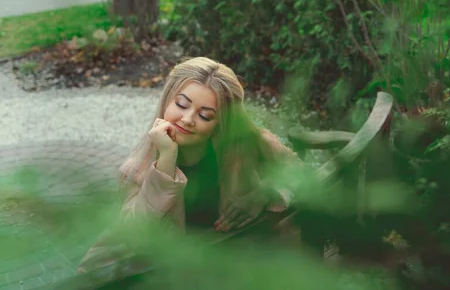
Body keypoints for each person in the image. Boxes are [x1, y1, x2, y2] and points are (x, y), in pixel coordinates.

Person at [77, 57, 300, 274]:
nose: (187, 119)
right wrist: (165, 161)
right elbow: (135, 235)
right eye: (181, 104)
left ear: (221, 122)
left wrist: (264, 193)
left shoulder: (249, 145)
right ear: (167, 100)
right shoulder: (135, 170)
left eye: (205, 115)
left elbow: (301, 177)